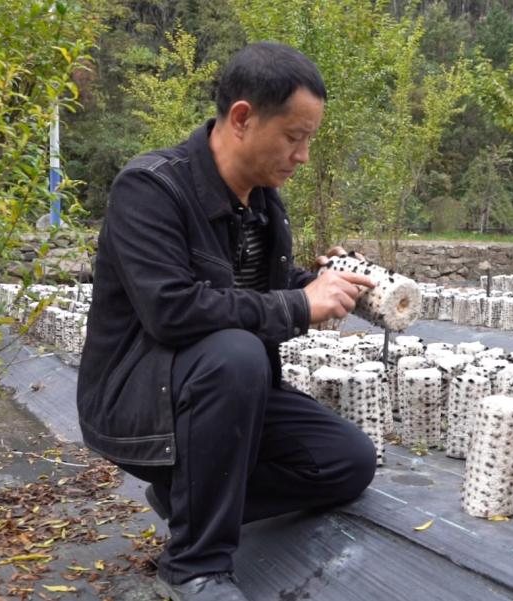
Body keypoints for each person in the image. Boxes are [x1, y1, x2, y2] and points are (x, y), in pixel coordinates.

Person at [76, 42, 378, 601]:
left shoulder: (263, 203)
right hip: (141, 399)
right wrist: (298, 305)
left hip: (224, 390)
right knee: (235, 351)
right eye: (294, 137)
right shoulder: (150, 188)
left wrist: (328, 284)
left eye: (309, 140)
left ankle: (190, 501)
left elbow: (257, 291)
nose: (303, 156)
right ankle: (194, 566)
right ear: (242, 118)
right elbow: (172, 310)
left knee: (347, 462)